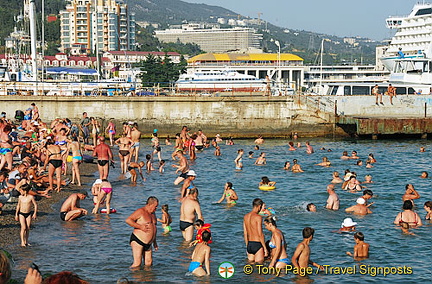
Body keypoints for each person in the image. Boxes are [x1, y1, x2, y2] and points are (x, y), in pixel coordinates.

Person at [125, 196, 159, 268]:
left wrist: (154, 242)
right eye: (155, 206)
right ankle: (130, 277)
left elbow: (154, 228)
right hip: (138, 240)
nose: (156, 208)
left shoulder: (153, 214)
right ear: (149, 204)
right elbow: (128, 220)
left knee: (149, 263)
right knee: (137, 264)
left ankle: (146, 278)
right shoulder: (141, 211)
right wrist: (140, 226)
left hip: (149, 242)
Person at [243, 198, 267, 263]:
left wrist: (247, 245)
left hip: (249, 244)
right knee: (259, 267)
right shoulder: (258, 217)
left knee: (250, 266)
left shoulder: (245, 216)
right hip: (257, 244)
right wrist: (265, 248)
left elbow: (245, 233)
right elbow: (260, 234)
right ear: (259, 206)